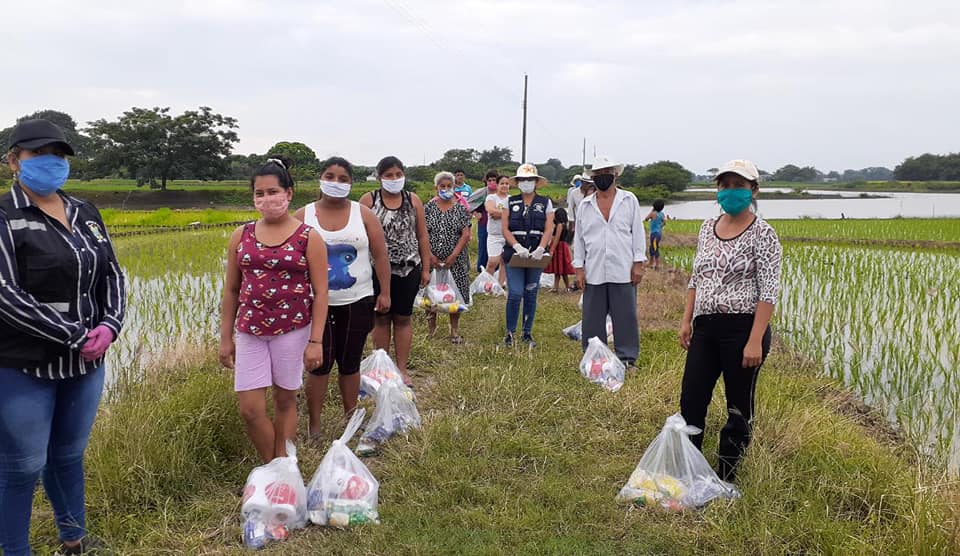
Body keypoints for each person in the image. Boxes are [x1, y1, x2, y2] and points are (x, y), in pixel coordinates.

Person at [0, 119, 126, 555]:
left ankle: (74, 540)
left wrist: (110, 325)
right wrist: (74, 335)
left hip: (85, 366)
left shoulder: (84, 212)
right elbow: (5, 294)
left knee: (68, 456)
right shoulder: (6, 216)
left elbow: (112, 273)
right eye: (38, 154)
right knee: (21, 466)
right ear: (14, 161)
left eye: (58, 154)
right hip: (23, 367)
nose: (51, 162)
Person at [219, 157, 329, 463]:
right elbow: (231, 290)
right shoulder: (241, 235)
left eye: (273, 192)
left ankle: (282, 473)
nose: (266, 199)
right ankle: (276, 468)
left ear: (289, 193)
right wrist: (226, 338)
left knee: (284, 401)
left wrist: (316, 341)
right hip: (250, 330)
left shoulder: (308, 237)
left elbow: (321, 293)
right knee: (250, 409)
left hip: (292, 330)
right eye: (260, 193)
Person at [678, 159, 782, 482]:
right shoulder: (706, 229)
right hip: (705, 327)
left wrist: (755, 340)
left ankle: (726, 475)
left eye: (739, 185)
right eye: (725, 185)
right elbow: (696, 278)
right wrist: (686, 320)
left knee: (738, 407)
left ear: (754, 190)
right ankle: (691, 470)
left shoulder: (764, 234)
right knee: (692, 399)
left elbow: (769, 291)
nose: (731, 191)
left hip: (743, 330)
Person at [295, 157, 391, 436]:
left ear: (351, 183)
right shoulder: (302, 216)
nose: (335, 183)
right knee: (318, 365)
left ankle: (351, 419)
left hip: (358, 299)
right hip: (316, 305)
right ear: (320, 179)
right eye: (330, 177)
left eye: (342, 179)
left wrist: (385, 292)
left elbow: (380, 255)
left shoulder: (364, 214)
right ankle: (315, 425)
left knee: (350, 362)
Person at [359, 156, 431, 386]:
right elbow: (359, 237)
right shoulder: (369, 200)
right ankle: (382, 370)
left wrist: (426, 268)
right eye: (388, 175)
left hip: (408, 269)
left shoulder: (413, 200)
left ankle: (401, 369)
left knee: (403, 318)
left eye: (398, 174)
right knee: (381, 318)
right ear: (379, 177)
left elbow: (422, 235)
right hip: (376, 270)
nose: (394, 179)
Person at [573, 155, 646, 369]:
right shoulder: (585, 205)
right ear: (593, 177)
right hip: (593, 268)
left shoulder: (629, 200)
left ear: (615, 175)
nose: (603, 177)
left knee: (625, 316)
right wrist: (579, 269)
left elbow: (637, 232)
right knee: (592, 318)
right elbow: (579, 239)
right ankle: (594, 359)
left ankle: (627, 359)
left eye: (607, 173)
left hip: (623, 268)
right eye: (599, 174)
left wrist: (638, 263)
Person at [500, 163, 555, 347]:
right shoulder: (510, 202)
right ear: (518, 182)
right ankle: (510, 333)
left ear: (536, 182)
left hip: (535, 256)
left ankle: (527, 333)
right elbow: (505, 228)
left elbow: (549, 228)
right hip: (514, 254)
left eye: (530, 179)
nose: (526, 182)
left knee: (531, 292)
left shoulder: (545, 203)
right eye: (523, 179)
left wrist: (541, 248)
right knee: (515, 293)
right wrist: (516, 246)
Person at [424, 171, 472, 344]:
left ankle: (454, 331)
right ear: (436, 188)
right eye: (442, 186)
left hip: (456, 260)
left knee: (455, 294)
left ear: (454, 187)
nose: (445, 189)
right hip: (432, 259)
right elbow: (422, 233)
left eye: (449, 186)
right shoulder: (428, 208)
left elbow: (465, 235)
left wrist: (453, 256)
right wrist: (430, 255)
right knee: (430, 294)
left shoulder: (461, 208)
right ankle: (432, 330)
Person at [483, 174, 511, 287]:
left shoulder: (511, 199)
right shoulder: (491, 198)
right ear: (497, 185)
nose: (504, 186)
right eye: (502, 183)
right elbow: (491, 211)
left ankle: (500, 284)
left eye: (507, 183)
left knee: (504, 261)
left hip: (508, 235)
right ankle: (486, 284)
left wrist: (500, 214)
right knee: (493, 261)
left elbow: (515, 215)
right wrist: (507, 214)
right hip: (494, 235)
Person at [545, 207, 575, 293]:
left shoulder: (559, 225)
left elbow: (557, 238)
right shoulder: (565, 225)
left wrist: (552, 249)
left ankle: (562, 287)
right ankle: (560, 287)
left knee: (560, 268)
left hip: (559, 247)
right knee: (560, 269)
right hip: (563, 246)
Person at [474, 170, 498, 272]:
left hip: (498, 226)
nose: (492, 182)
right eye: (489, 180)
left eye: (494, 180)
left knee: (497, 248)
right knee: (483, 247)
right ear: (486, 181)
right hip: (484, 224)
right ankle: (482, 270)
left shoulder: (502, 192)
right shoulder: (482, 193)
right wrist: (476, 213)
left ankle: (496, 271)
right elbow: (469, 204)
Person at [566, 172, 594, 236]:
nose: (588, 185)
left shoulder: (593, 193)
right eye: (587, 183)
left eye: (590, 183)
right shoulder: (574, 193)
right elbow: (570, 208)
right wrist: (572, 222)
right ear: (582, 182)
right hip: (578, 220)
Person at [644, 199, 668, 270]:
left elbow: (646, 219)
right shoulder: (662, 214)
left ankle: (657, 265)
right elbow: (664, 223)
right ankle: (651, 263)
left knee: (655, 248)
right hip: (659, 234)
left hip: (654, 234)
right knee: (652, 247)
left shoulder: (653, 213)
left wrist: (651, 211)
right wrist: (660, 227)